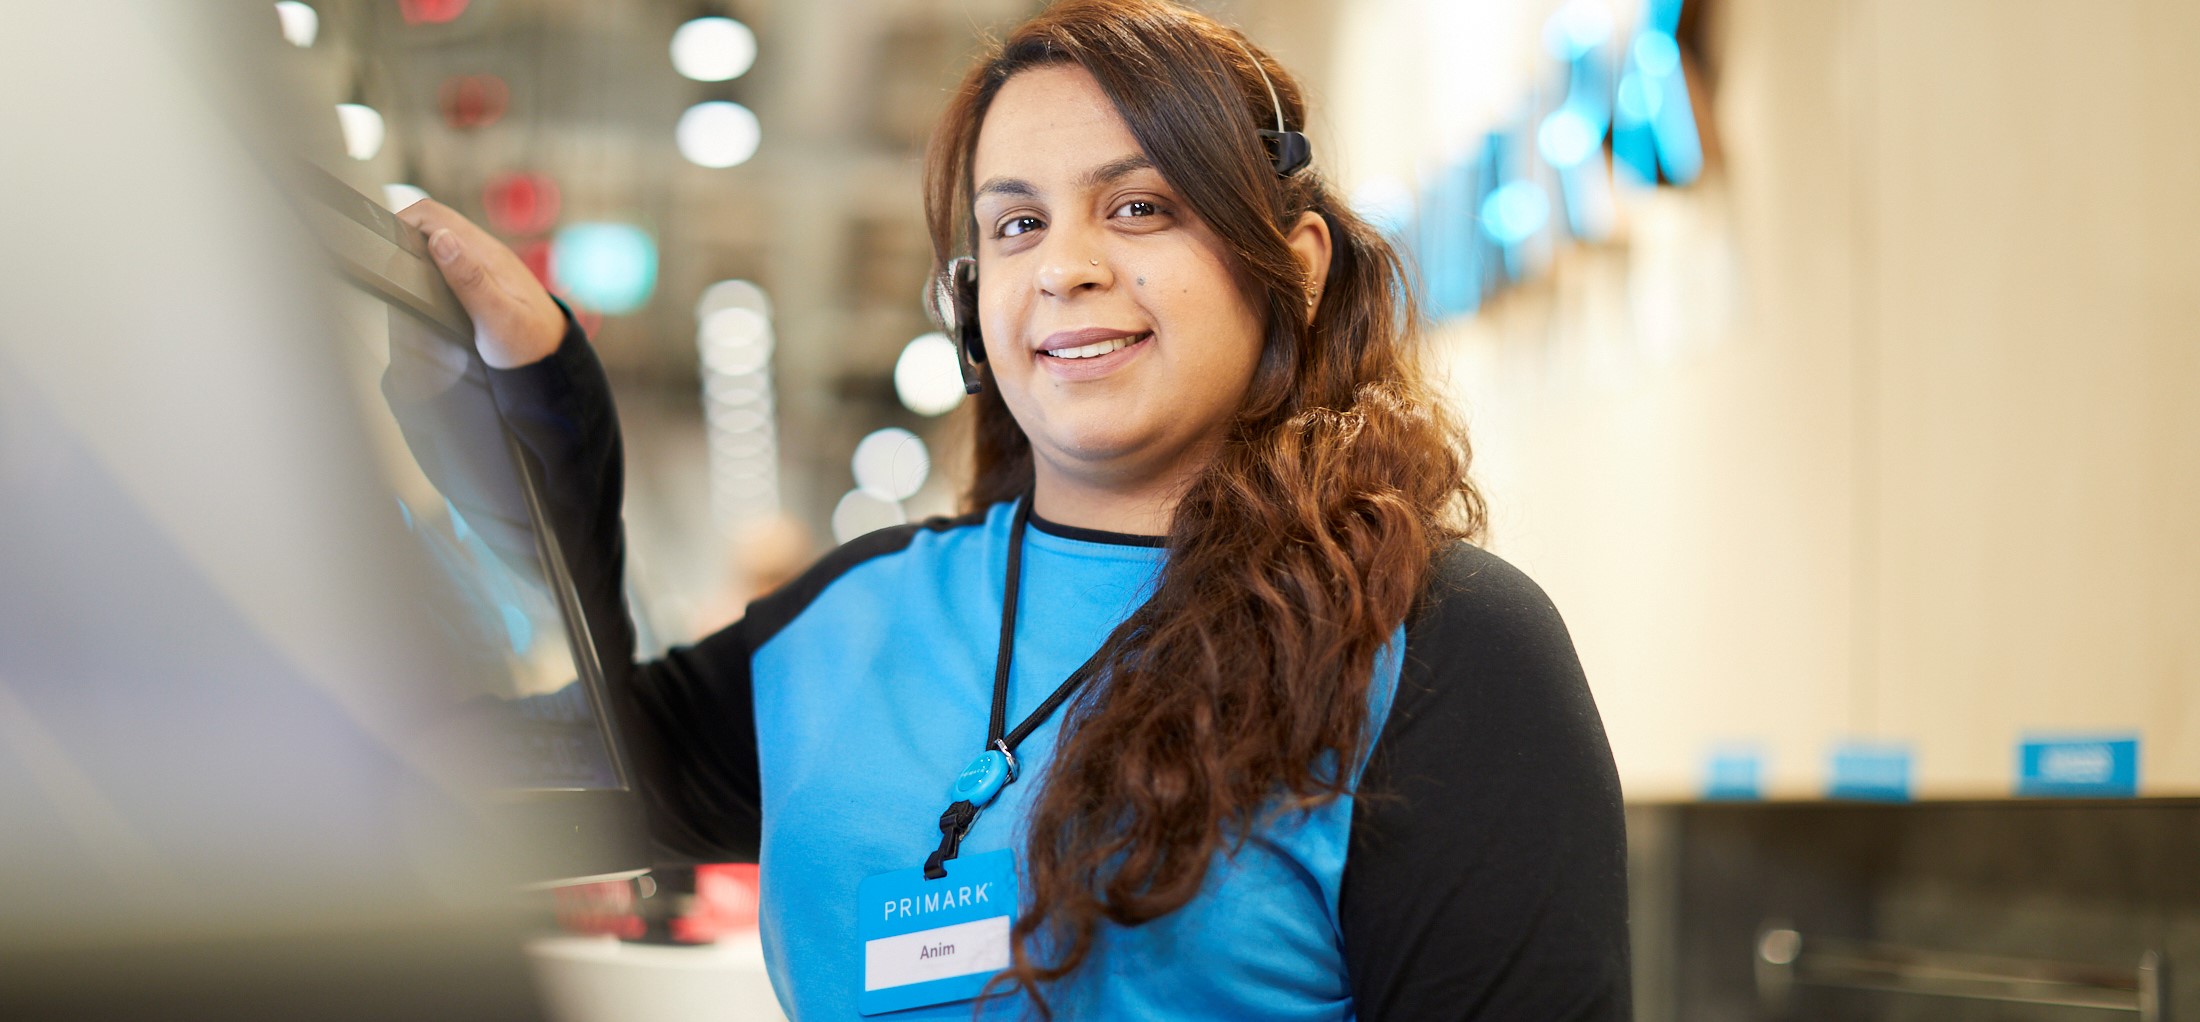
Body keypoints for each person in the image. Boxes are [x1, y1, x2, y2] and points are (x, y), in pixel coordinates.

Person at [396, 1, 1630, 1017]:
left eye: (1139, 206)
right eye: (1018, 223)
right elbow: (453, 782)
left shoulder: (1441, 645)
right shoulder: (847, 622)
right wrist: (542, 418)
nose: (1065, 266)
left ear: (1293, 265)